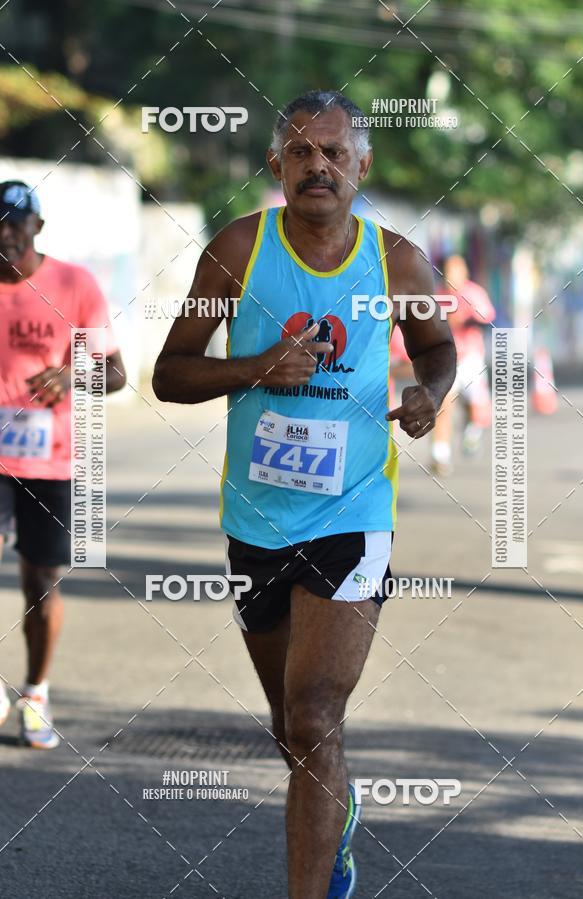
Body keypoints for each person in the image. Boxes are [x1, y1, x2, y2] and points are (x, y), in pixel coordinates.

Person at [153, 91, 456, 899]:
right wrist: (253, 369)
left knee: (316, 716)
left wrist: (430, 392)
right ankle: (339, 812)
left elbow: (436, 344)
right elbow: (169, 371)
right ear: (275, 165)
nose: (316, 165)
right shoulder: (238, 250)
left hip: (353, 512)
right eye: (299, 151)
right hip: (255, 519)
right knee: (294, 732)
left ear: (363, 165)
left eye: (333, 152)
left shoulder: (397, 261)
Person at [0, 180, 126, 748]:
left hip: (49, 461)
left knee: (41, 582)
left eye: (13, 224)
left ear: (36, 229)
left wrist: (71, 375)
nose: (3, 234)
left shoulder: (75, 285)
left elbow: (116, 374)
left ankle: (36, 692)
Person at [430, 254, 496, 476]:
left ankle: (472, 430)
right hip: (446, 357)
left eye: (457, 269)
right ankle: (441, 455)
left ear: (465, 271)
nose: (452, 275)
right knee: (443, 404)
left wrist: (465, 319)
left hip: (471, 358)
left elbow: (487, 320)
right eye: (449, 270)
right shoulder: (437, 295)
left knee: (475, 407)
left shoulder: (473, 293)